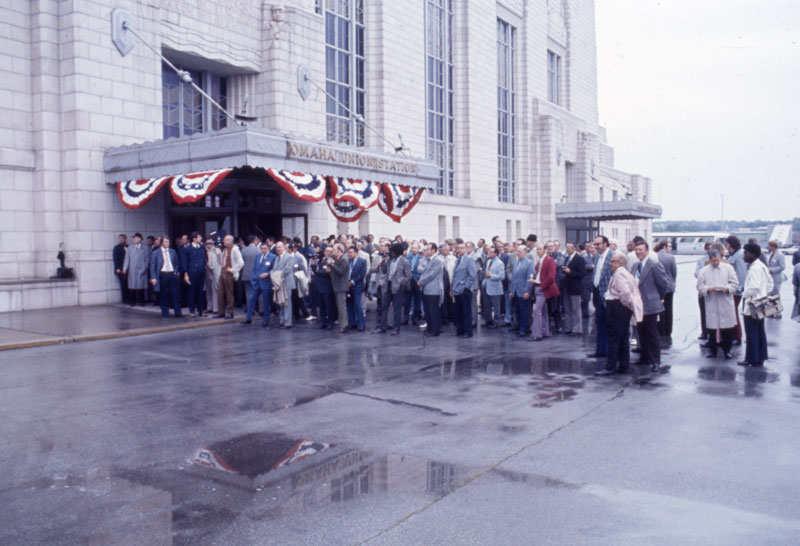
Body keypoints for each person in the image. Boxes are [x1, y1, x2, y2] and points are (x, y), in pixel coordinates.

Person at [595, 253, 642, 375]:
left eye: (613, 261)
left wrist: (624, 304)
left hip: (617, 307)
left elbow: (625, 292)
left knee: (614, 337)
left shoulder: (620, 273)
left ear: (619, 263)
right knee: (622, 338)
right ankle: (623, 365)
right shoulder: (625, 273)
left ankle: (610, 367)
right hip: (621, 308)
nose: (611, 263)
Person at [633, 240, 670, 371]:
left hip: (651, 304)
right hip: (639, 305)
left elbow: (663, 284)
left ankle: (656, 361)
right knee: (641, 332)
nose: (638, 252)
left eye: (640, 250)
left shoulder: (654, 264)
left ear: (647, 250)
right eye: (636, 250)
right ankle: (644, 358)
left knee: (652, 334)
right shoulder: (635, 265)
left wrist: (658, 298)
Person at [696, 250, 739, 359]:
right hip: (712, 301)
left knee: (727, 329)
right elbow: (699, 287)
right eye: (713, 261)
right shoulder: (704, 271)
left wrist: (727, 288)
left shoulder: (728, 268)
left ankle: (727, 351)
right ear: (709, 260)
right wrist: (708, 289)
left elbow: (735, 284)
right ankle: (713, 350)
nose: (716, 263)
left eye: (717, 260)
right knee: (712, 328)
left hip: (725, 300)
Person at [739, 243, 772, 367]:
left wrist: (744, 294)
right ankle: (760, 357)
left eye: (745, 253)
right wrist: (764, 294)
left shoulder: (755, 268)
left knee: (752, 332)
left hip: (752, 304)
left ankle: (751, 358)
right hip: (761, 302)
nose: (744, 255)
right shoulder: (761, 266)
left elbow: (753, 287)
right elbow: (770, 284)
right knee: (759, 331)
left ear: (752, 254)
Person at [375, 243, 411, 335]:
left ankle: (396, 328)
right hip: (388, 285)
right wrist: (383, 261)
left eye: (392, 252)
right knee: (384, 307)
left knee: (397, 309)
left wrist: (400, 282)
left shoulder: (404, 262)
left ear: (397, 253)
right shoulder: (389, 260)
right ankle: (382, 327)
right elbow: (384, 270)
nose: (390, 253)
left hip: (398, 287)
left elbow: (408, 276)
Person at [588, 235, 614, 358]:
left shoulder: (613, 256)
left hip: (610, 296)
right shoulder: (597, 257)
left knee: (610, 325)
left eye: (598, 244)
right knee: (600, 323)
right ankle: (600, 350)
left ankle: (611, 352)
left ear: (605, 244)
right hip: (598, 293)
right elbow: (596, 273)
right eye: (595, 244)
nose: (595, 247)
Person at [242, 242, 276, 327]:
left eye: (265, 248)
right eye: (262, 248)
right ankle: (248, 319)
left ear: (268, 248)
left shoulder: (273, 257)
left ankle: (266, 321)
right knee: (251, 299)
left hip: (266, 283)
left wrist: (268, 274)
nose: (263, 250)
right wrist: (253, 278)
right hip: (257, 282)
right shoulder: (258, 256)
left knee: (266, 302)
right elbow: (255, 269)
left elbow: (275, 269)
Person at [530, 243, 559, 341]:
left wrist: (541, 285)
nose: (538, 251)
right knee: (543, 311)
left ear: (545, 250)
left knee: (537, 311)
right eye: (537, 249)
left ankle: (537, 334)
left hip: (543, 288)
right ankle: (545, 332)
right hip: (539, 287)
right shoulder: (539, 261)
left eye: (540, 249)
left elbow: (551, 277)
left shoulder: (550, 260)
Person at [149, 236, 182, 318]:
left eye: (168, 241)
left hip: (172, 273)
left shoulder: (172, 251)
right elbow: (152, 265)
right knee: (164, 294)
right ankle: (165, 312)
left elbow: (177, 262)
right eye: (166, 241)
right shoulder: (156, 252)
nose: (168, 243)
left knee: (175, 293)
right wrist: (153, 277)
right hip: (162, 274)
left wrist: (176, 271)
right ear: (161, 243)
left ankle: (178, 312)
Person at [451, 242, 477, 338]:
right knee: (458, 311)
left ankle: (467, 331)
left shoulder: (469, 259)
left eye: (462, 248)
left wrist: (466, 287)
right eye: (458, 248)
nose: (460, 250)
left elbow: (472, 275)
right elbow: (454, 275)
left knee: (466, 311)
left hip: (464, 289)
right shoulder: (458, 260)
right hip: (456, 289)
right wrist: (452, 287)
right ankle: (460, 330)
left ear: (466, 249)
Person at [418, 242, 444, 336]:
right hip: (427, 289)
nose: (426, 251)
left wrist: (421, 281)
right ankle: (430, 328)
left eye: (428, 249)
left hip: (433, 289)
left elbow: (432, 274)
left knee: (433, 311)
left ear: (433, 250)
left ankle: (435, 330)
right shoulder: (429, 260)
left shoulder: (437, 260)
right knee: (428, 311)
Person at [562, 242, 587, 335]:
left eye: (569, 248)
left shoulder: (579, 259)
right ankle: (569, 327)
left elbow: (582, 273)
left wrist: (570, 272)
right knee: (567, 308)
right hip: (567, 286)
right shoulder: (567, 258)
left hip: (575, 287)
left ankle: (577, 329)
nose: (567, 250)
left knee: (576, 309)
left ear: (574, 249)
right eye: (566, 248)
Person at [509, 246, 534, 337]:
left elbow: (530, 278)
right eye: (517, 251)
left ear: (524, 252)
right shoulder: (516, 263)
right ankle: (519, 326)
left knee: (524, 311)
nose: (517, 253)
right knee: (518, 311)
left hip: (523, 291)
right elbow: (513, 278)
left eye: (519, 251)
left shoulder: (529, 263)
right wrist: (511, 290)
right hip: (516, 291)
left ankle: (524, 329)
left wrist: (527, 291)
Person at [726, 235, 746, 344]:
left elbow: (741, 274)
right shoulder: (733, 255)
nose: (726, 245)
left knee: (733, 312)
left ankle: (737, 336)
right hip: (732, 288)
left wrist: (737, 288)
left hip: (735, 290)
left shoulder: (739, 256)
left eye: (727, 243)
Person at [218, 235, 243, 319]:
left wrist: (232, 270)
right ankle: (221, 312)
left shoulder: (235, 249)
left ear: (230, 241)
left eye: (225, 240)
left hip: (229, 273)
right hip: (223, 272)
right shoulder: (225, 249)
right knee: (220, 292)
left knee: (229, 293)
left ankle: (230, 312)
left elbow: (241, 262)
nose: (223, 242)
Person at [182, 231, 207, 317]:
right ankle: (192, 310)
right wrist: (186, 273)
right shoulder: (187, 248)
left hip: (201, 272)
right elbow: (184, 262)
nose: (201, 238)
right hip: (192, 273)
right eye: (199, 237)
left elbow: (204, 258)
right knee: (192, 291)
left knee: (200, 292)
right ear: (194, 238)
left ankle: (201, 310)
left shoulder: (202, 247)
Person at [655, 240, 677, 336]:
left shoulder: (654, 256)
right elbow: (674, 272)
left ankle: (660, 328)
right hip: (669, 285)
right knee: (668, 308)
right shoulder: (671, 257)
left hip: (657, 286)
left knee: (659, 308)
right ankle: (668, 329)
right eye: (669, 246)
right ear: (664, 246)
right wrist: (672, 281)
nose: (671, 248)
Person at [272, 241, 296, 328]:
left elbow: (287, 270)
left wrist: (276, 275)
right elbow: (274, 269)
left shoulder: (289, 257)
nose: (278, 249)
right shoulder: (277, 258)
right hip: (279, 283)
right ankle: (282, 321)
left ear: (284, 247)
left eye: (279, 247)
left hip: (286, 284)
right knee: (281, 303)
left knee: (287, 303)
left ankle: (288, 323)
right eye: (277, 247)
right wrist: (273, 275)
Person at [122, 233, 150, 307]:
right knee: (132, 286)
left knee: (141, 286)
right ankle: (132, 301)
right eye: (134, 238)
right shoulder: (130, 248)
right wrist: (125, 268)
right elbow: (127, 259)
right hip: (132, 269)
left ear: (140, 239)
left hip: (142, 269)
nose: (134, 239)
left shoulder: (145, 248)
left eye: (136, 238)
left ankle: (141, 301)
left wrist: (145, 268)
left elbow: (147, 260)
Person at [329, 243, 351, 333]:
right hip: (336, 285)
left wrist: (332, 265)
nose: (332, 251)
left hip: (341, 286)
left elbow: (341, 272)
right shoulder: (336, 259)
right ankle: (342, 324)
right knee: (339, 306)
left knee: (342, 307)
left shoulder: (344, 260)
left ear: (339, 250)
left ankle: (344, 325)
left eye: (334, 250)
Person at [481, 246, 505, 328]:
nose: (489, 253)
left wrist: (491, 275)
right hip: (487, 286)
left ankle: (496, 322)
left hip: (495, 288)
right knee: (487, 305)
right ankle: (488, 320)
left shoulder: (500, 263)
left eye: (491, 252)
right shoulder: (489, 261)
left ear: (496, 254)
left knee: (496, 306)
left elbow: (502, 276)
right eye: (489, 252)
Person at [694, 241, 713, 341]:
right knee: (703, 311)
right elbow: (697, 273)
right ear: (706, 250)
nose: (711, 251)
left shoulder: (719, 260)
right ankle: (704, 332)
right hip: (704, 289)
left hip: (714, 290)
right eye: (709, 248)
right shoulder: (701, 260)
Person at [346, 246, 367, 331]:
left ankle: (361, 324)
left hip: (357, 286)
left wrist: (353, 282)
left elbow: (362, 274)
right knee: (349, 304)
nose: (349, 254)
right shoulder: (348, 261)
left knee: (357, 304)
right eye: (348, 252)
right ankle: (352, 323)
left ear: (356, 253)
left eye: (351, 252)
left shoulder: (362, 261)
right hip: (348, 285)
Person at [314, 245, 335, 330]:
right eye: (327, 251)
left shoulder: (332, 261)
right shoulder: (320, 260)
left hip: (328, 287)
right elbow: (315, 270)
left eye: (330, 251)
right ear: (324, 252)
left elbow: (327, 273)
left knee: (329, 306)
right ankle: (323, 322)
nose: (328, 252)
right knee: (321, 306)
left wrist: (318, 271)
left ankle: (330, 323)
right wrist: (319, 271)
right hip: (319, 286)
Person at [240, 235, 261, 314]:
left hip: (246, 273)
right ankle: (260, 309)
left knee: (248, 293)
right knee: (258, 292)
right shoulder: (258, 250)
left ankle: (250, 309)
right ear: (254, 241)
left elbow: (242, 261)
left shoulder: (244, 250)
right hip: (256, 274)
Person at [766, 240, 786, 319]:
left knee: (776, 295)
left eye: (769, 246)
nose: (768, 247)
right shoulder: (771, 254)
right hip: (771, 278)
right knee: (771, 295)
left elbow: (782, 266)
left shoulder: (780, 255)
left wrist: (772, 270)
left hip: (777, 278)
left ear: (773, 246)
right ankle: (771, 312)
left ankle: (778, 312)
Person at [204, 238, 222, 315]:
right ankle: (209, 307)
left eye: (210, 243)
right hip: (207, 271)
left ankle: (216, 308)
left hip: (215, 271)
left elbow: (220, 261)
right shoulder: (204, 251)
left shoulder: (217, 250)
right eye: (207, 243)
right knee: (208, 290)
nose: (209, 245)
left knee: (215, 289)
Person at [113, 234, 129, 304]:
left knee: (129, 285)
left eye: (122, 238)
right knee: (123, 285)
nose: (121, 239)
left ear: (125, 239)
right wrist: (117, 268)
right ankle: (125, 299)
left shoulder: (129, 247)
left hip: (128, 269)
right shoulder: (116, 248)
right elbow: (115, 259)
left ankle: (130, 299)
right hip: (120, 269)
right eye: (120, 238)